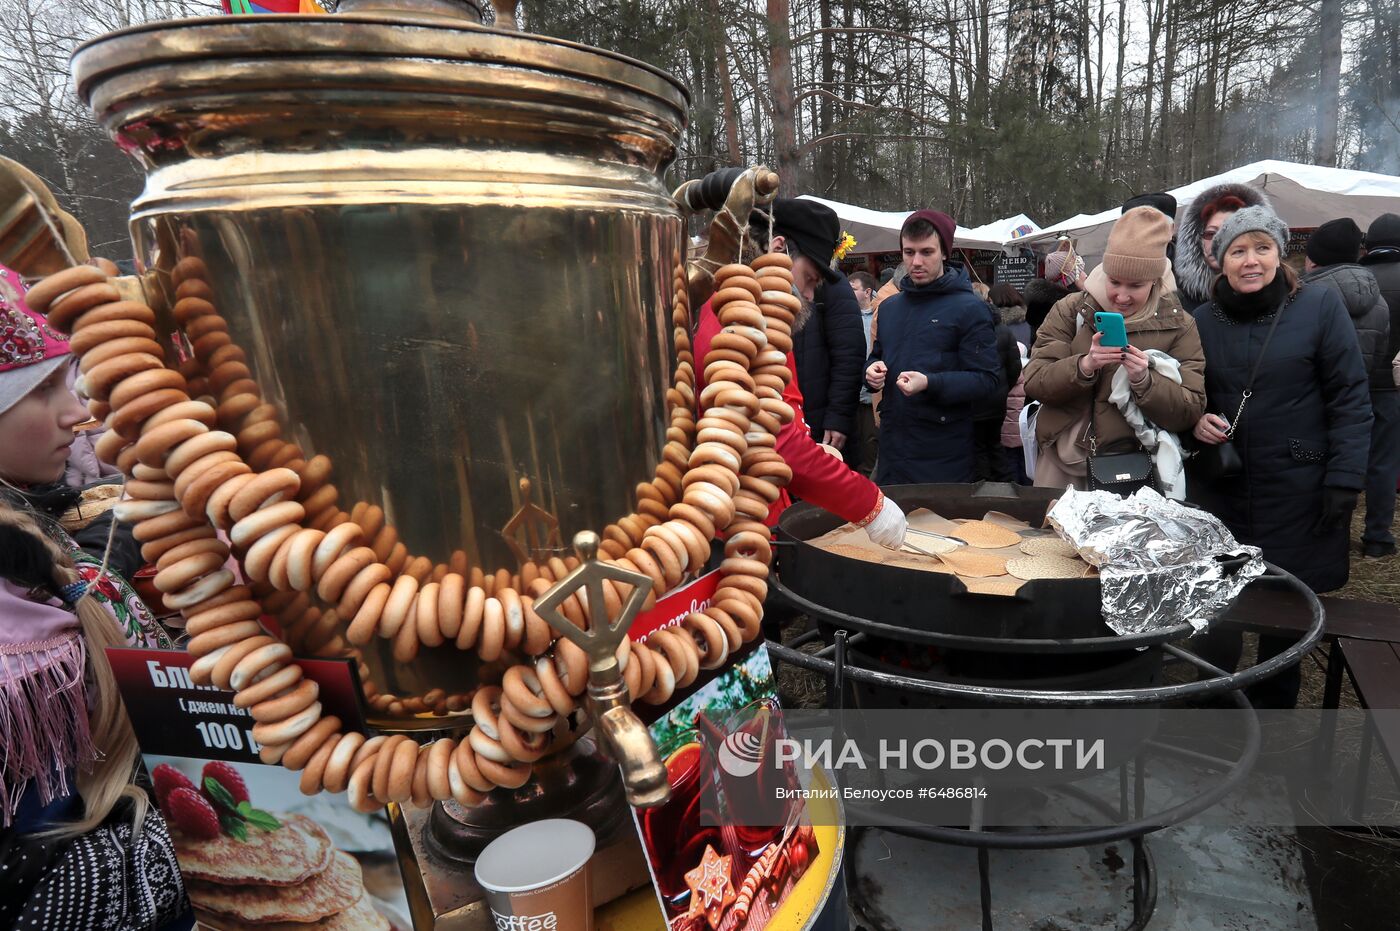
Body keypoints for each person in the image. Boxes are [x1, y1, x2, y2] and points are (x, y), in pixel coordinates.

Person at [0, 280, 190, 928]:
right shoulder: (20, 646)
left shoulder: (29, 525)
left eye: (68, 381)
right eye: (41, 388)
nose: (75, 412)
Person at [1190, 205, 1371, 708]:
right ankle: (1211, 701)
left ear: (1279, 253)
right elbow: (1187, 392)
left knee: (1288, 608)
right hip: (1223, 490)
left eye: (1262, 248)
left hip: (1300, 487)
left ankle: (1274, 707)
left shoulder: (1318, 307)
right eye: (1238, 251)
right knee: (1216, 606)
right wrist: (1195, 420)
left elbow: (1351, 398)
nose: (1251, 261)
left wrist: (1344, 479)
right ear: (1219, 261)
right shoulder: (1202, 319)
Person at [689, 210, 907, 549]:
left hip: (738, 505)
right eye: (809, 279)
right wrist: (870, 506)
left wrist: (812, 447)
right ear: (778, 248)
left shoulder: (732, 306)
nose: (808, 296)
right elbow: (774, 438)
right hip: (728, 520)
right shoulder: (743, 318)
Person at [1024, 206, 1206, 494]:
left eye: (1136, 285)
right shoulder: (1071, 310)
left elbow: (1190, 410)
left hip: (1135, 469)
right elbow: (1035, 381)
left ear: (1155, 281)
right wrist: (1084, 366)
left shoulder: (1180, 325)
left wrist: (1144, 381)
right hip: (1062, 462)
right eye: (1114, 281)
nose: (1121, 295)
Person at [864, 209, 1000, 484]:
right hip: (893, 449)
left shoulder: (970, 309)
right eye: (909, 252)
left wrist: (930, 382)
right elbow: (877, 357)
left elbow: (987, 381)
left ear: (944, 253)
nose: (916, 261)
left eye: (927, 252)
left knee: (936, 527)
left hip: (943, 453)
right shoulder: (890, 308)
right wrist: (871, 372)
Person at [1301, 218, 1395, 558]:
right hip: (1373, 390)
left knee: (1313, 468)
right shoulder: (1378, 300)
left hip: (1311, 399)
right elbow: (1380, 349)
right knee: (1377, 463)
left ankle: (1315, 537)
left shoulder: (1306, 293)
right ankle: (1375, 538)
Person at [768, 199, 865, 454]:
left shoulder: (832, 288)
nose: (809, 295)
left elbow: (849, 354)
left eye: (814, 282)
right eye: (808, 280)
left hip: (815, 420)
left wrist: (838, 417)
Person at [1176, 182, 1273, 309]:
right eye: (1210, 234)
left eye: (1232, 232)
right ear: (1194, 241)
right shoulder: (1177, 304)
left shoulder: (1284, 301)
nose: (1219, 242)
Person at [972, 291, 1022, 482]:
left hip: (974, 401)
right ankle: (1006, 486)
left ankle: (983, 489)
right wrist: (1002, 390)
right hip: (997, 400)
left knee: (977, 448)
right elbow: (1014, 367)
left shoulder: (969, 330)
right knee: (995, 444)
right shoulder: (1003, 329)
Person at [845, 271, 879, 476]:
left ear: (867, 292)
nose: (848, 293)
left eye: (853, 289)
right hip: (850, 393)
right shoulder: (845, 317)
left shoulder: (878, 316)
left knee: (870, 444)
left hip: (869, 396)